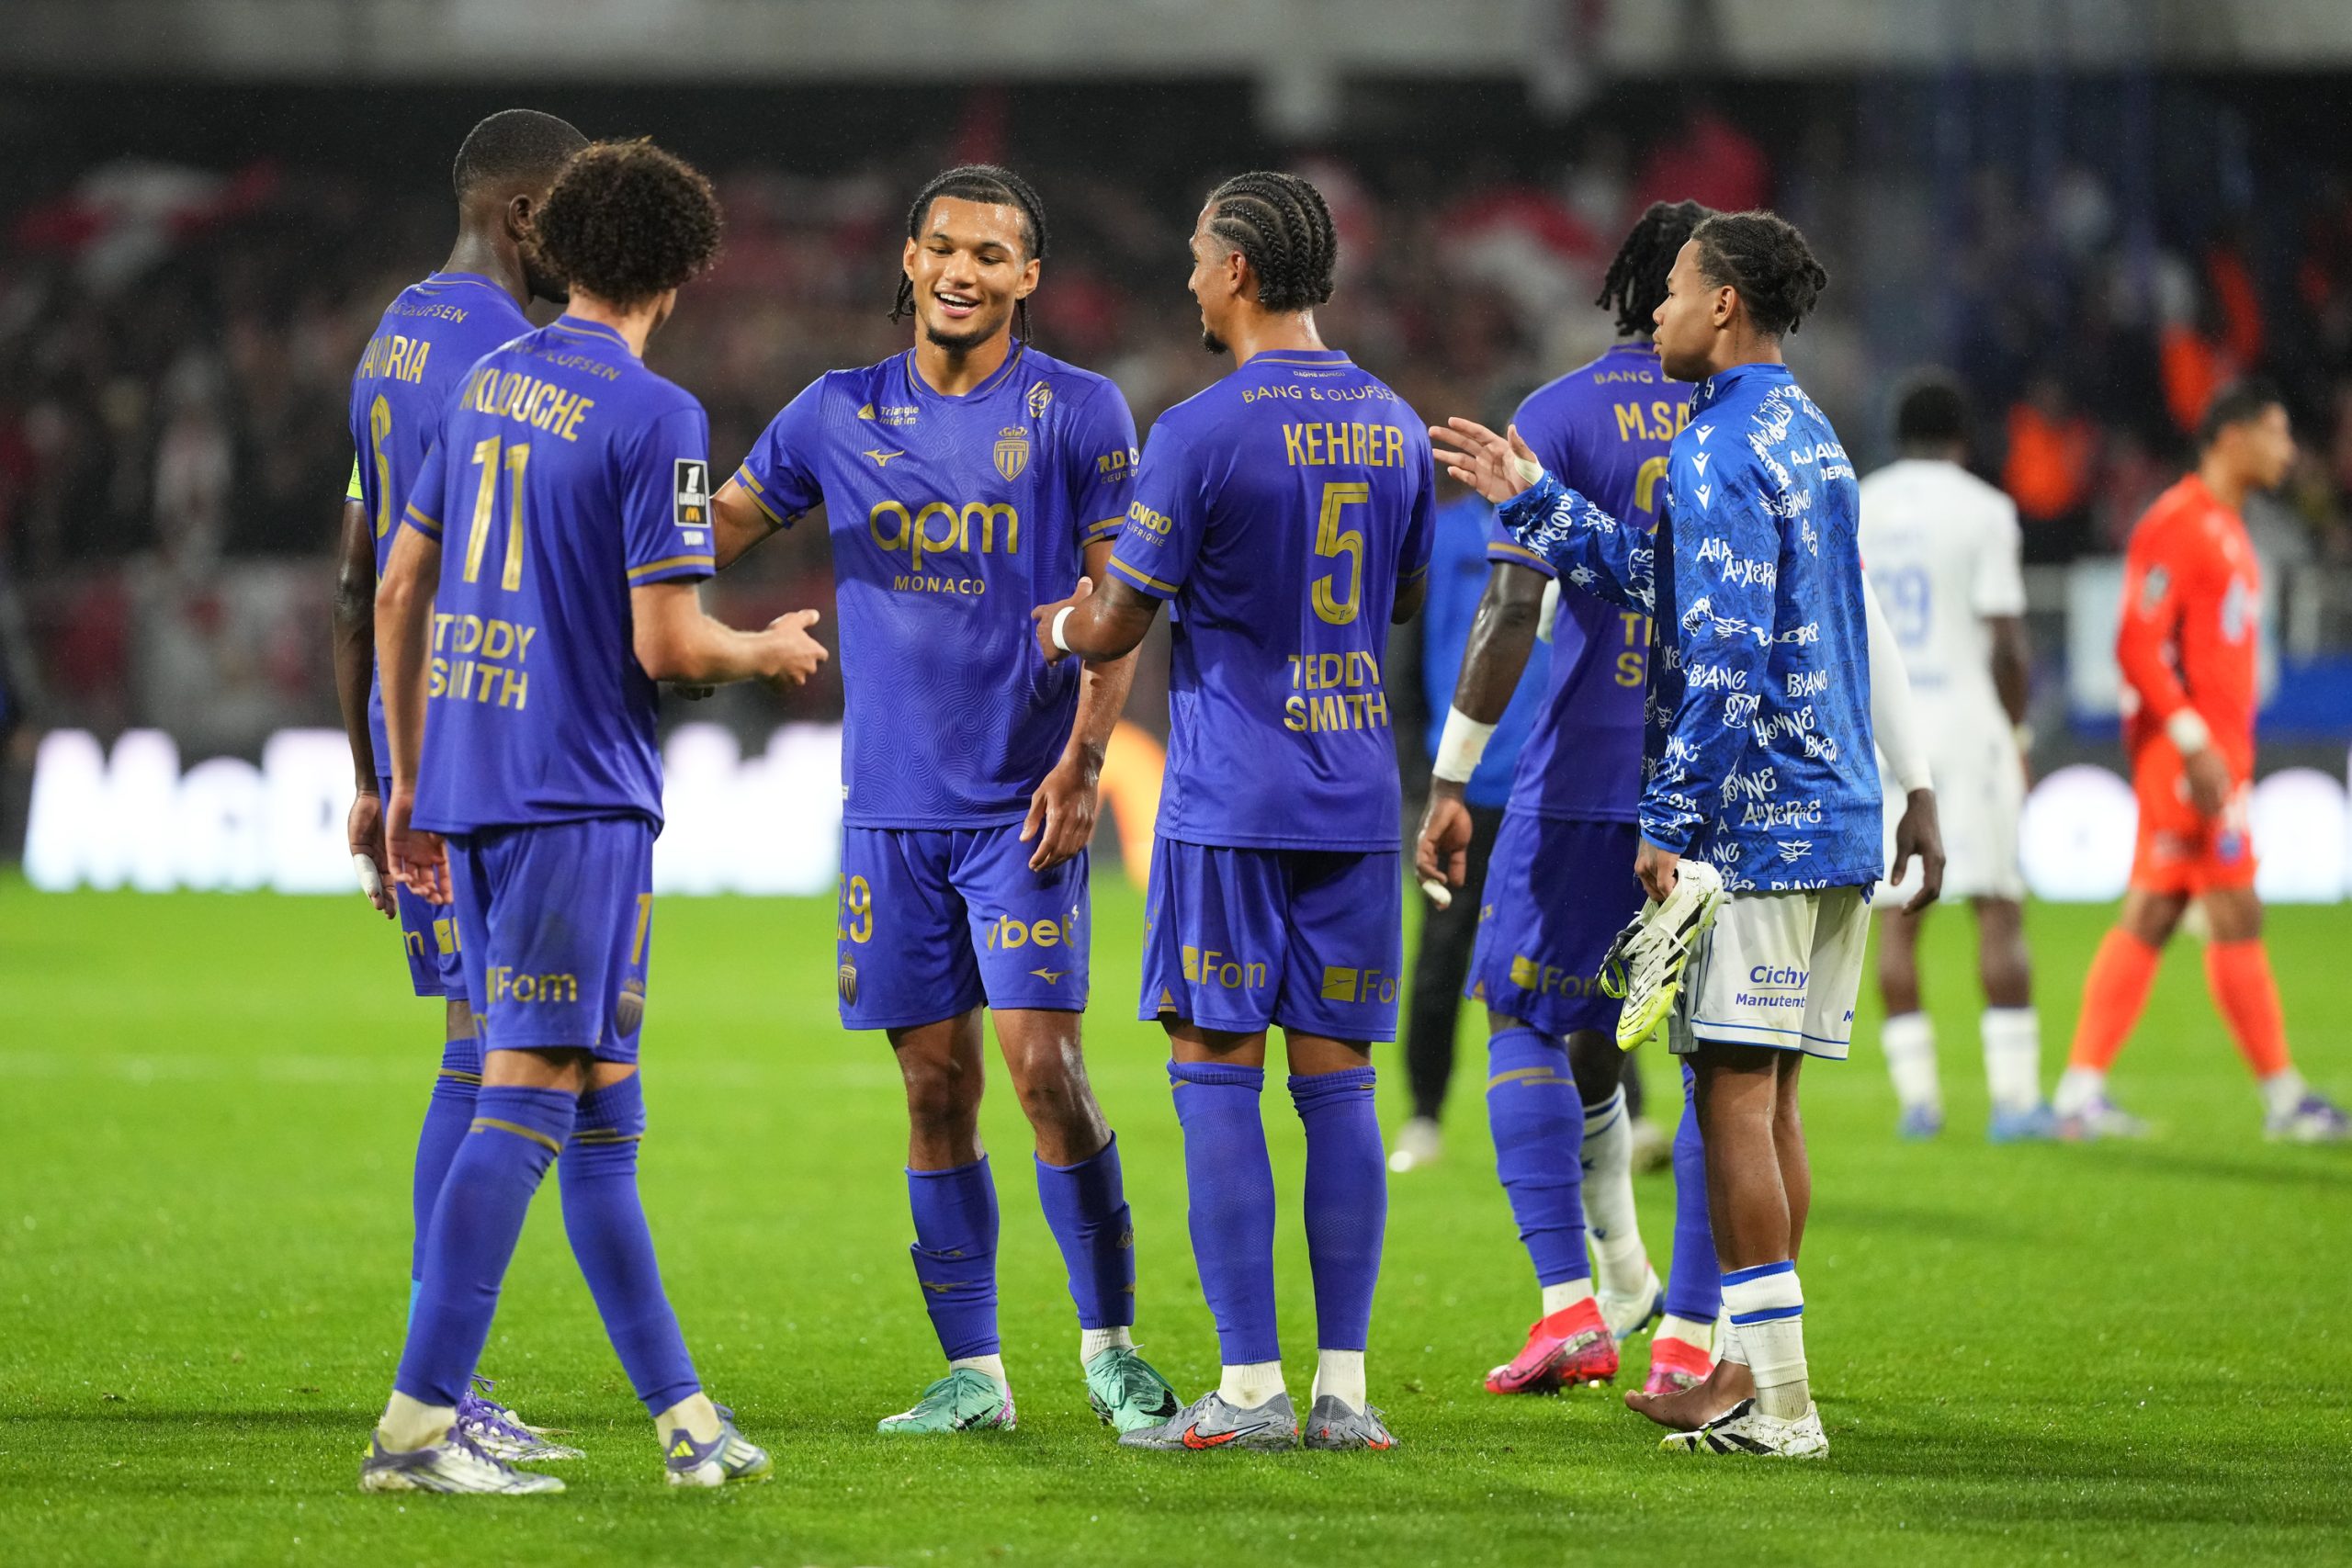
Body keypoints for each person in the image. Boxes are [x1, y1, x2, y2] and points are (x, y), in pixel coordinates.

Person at [1433, 209, 1940, 1459]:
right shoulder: (1810, 433)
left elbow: (1713, 653)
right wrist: (1534, 500)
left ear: (1723, 305)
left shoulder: (1717, 448)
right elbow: (1675, 579)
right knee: (1764, 1104)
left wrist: (1671, 819)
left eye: (1670, 292)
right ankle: (1744, 1377)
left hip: (1753, 823)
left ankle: (1782, 1406)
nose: (1652, 312)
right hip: (1832, 813)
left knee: (1731, 1100)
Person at [363, 139, 828, 1494]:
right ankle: (417, 1425)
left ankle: (683, 1416)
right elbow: (672, 640)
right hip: (577, 792)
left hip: (474, 777)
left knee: (602, 1112)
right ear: (680, 273)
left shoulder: (488, 380)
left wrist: (405, 779)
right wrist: (771, 647)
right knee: (527, 1096)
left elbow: (400, 587)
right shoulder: (657, 417)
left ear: (560, 251)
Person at [707, 164, 1177, 1436]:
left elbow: (1118, 606)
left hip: (1019, 802)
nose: (964, 271)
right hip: (890, 813)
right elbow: (712, 531)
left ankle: (1111, 1346)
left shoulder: (1077, 411)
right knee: (932, 1088)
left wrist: (1084, 759)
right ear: (909, 260)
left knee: (1047, 1069)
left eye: (993, 254)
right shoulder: (831, 411)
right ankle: (975, 1370)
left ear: (1029, 276)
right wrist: (579, 519)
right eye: (945, 247)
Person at [1033, 170, 1434, 1452]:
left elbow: (1117, 619)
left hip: (1231, 795)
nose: (1191, 279)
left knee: (1215, 1071)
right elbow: (1404, 600)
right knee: (1341, 1083)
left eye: (1201, 259)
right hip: (1359, 789)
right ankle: (1346, 1391)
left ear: (1243, 273)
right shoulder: (1397, 423)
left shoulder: (1200, 430)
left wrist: (1054, 618)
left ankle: (1252, 1384)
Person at [1416, 199, 1722, 1401]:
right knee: (1712, 1060)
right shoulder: (1759, 421)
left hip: (1585, 774)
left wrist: (1449, 775)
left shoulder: (1558, 415)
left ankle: (1568, 1306)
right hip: (1722, 790)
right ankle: (1688, 1320)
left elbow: (1508, 614)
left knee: (1526, 1018)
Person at [334, 107, 587, 1462]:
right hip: (485, 741)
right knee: (505, 1063)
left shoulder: (394, 335)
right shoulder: (514, 356)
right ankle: (430, 1402)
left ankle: (445, 1381)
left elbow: (354, 574)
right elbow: (465, 575)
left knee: (471, 1049)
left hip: (417, 736)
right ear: (526, 216)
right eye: (577, 218)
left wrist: (373, 771)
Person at [2054, 380, 2349, 1143]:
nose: (2289, 450)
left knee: (2155, 912)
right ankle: (2284, 1100)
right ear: (2230, 436)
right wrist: (2190, 742)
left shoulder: (2230, 528)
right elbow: (2137, 642)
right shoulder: (2180, 522)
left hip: (2216, 756)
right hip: (2191, 761)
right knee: (2234, 908)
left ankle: (2081, 1093)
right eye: (2277, 432)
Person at [1860, 373, 2056, 1142]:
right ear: (1962, 438)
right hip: (1967, 726)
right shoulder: (1984, 510)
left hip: (1886, 725)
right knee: (1998, 907)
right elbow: (2006, 640)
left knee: (1898, 919)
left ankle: (1919, 1103)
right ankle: (2013, 1102)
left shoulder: (1862, 501)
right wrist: (2019, 733)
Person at [1391, 462, 1549, 1174]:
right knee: (1471, 949)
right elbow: (1405, 657)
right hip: (1482, 782)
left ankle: (1425, 1119)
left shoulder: (1548, 537)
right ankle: (1425, 1113)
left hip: (1515, 781)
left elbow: (1401, 657)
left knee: (1461, 952)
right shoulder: (1530, 535)